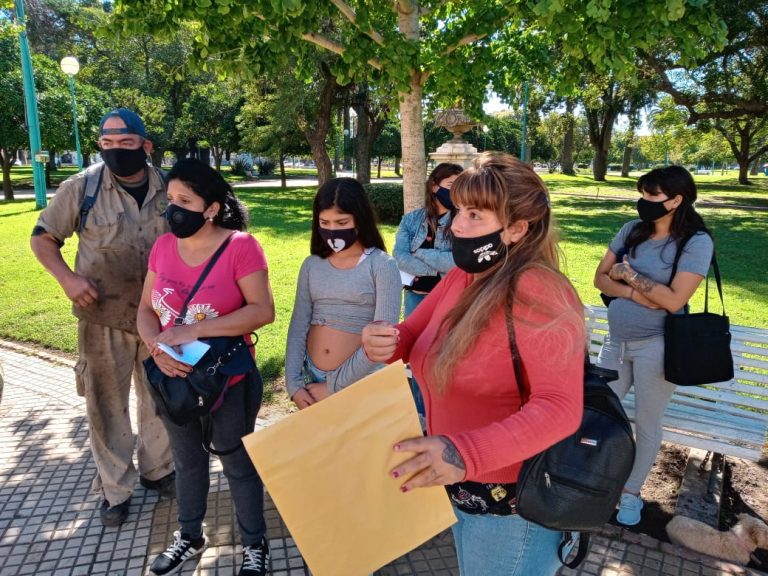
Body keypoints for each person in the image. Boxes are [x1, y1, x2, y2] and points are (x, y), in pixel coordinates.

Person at [362, 153, 585, 576]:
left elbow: (560, 407)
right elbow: (412, 337)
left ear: (517, 229)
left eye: (475, 215)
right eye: (459, 209)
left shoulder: (537, 289)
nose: (456, 226)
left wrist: (463, 452)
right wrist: (385, 340)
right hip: (461, 480)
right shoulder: (465, 276)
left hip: (511, 503)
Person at [30, 108, 174, 527]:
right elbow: (43, 239)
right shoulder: (82, 187)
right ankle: (115, 489)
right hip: (102, 316)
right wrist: (68, 279)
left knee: (161, 398)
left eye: (126, 143)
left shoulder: (170, 187)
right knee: (106, 406)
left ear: (146, 145)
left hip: (161, 317)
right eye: (107, 143)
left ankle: (158, 470)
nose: (116, 151)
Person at [136, 159, 275, 576]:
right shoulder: (163, 247)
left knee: (236, 463)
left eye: (185, 201)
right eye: (170, 199)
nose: (173, 209)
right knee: (187, 461)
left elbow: (262, 311)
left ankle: (255, 544)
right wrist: (157, 346)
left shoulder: (240, 247)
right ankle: (190, 535)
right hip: (174, 380)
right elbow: (145, 310)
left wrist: (191, 330)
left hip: (225, 380)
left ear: (211, 208)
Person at [593, 165, 713, 526]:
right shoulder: (631, 230)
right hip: (616, 342)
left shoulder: (695, 242)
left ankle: (631, 493)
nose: (644, 201)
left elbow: (675, 300)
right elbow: (599, 278)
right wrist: (637, 293)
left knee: (646, 423)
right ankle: (596, 483)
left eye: (652, 195)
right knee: (599, 412)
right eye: (642, 193)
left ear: (676, 200)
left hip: (657, 346)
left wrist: (627, 274)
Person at [285, 177, 401, 410]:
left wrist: (334, 386)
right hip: (312, 380)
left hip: (362, 381)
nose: (332, 230)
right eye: (324, 222)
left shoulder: (382, 265)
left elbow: (381, 341)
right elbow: (298, 325)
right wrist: (294, 384)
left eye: (341, 222)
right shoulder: (311, 265)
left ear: (360, 218)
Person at [394, 162, 463, 317]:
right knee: (413, 333)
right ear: (434, 186)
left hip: (448, 297)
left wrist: (419, 253)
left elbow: (458, 261)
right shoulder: (411, 220)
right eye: (451, 185)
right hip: (414, 296)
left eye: (459, 186)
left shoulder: (462, 222)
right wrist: (435, 271)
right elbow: (399, 257)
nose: (456, 191)